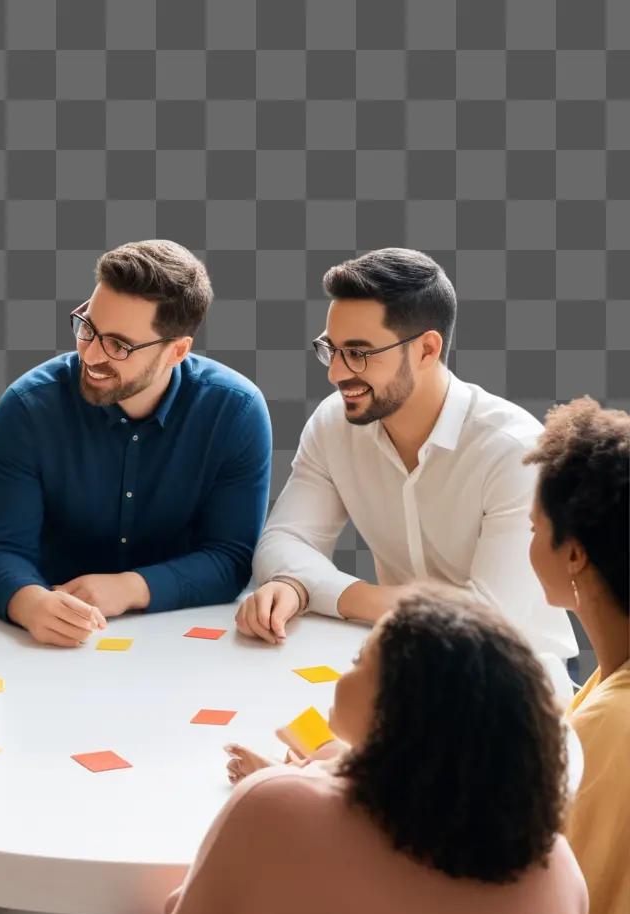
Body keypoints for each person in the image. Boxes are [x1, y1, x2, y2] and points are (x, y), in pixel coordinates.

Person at [151, 587, 587, 914]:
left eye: (361, 659)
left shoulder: (272, 809)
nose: (345, 674)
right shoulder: (560, 872)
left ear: (398, 710)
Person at [237, 248, 576, 661]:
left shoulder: (514, 451)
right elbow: (283, 541)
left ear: (426, 350)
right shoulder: (334, 425)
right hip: (407, 662)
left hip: (524, 677)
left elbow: (489, 617)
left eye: (359, 353)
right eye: (332, 349)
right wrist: (292, 584)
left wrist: (326, 591)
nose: (336, 373)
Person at [0, 240, 272, 647]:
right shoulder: (28, 409)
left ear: (177, 350)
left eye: (119, 345)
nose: (90, 354)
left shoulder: (235, 412)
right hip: (49, 647)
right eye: (88, 327)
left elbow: (230, 558)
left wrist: (131, 588)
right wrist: (30, 603)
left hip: (184, 642)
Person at [525, 397, 630, 914]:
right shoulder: (609, 681)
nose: (527, 540)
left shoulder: (611, 724)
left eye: (535, 528)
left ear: (575, 554)